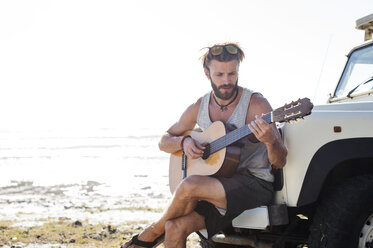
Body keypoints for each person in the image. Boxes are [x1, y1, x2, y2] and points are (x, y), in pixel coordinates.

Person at [121, 42, 288, 248]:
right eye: (219, 75)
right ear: (207, 73)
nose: (227, 81)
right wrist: (184, 142)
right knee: (174, 227)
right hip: (215, 184)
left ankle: (152, 233)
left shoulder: (256, 104)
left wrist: (271, 141)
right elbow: (163, 141)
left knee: (189, 185)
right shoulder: (200, 106)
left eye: (232, 74)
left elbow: (280, 160)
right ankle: (160, 231)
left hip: (254, 184)